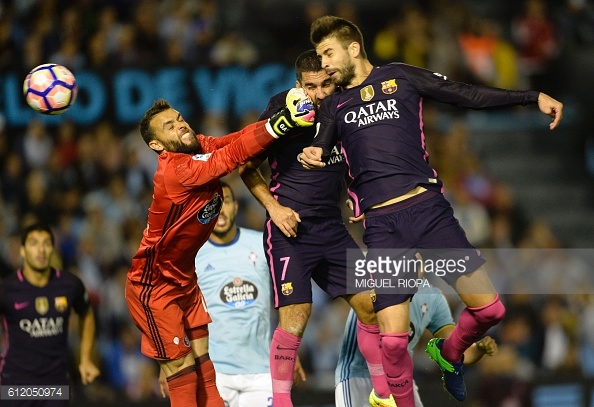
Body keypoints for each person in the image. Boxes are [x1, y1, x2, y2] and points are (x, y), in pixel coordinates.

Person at [301, 15, 563, 406]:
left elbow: (466, 94)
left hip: (429, 213)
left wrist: (530, 96)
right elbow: (321, 150)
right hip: (384, 228)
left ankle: (451, 352)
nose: (323, 63)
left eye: (328, 53)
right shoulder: (335, 105)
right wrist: (313, 153)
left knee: (490, 310)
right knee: (392, 342)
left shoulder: (402, 77)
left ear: (353, 48)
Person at [125, 94, 316, 407]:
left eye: (179, 119)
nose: (180, 126)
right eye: (169, 127)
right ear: (156, 145)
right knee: (185, 375)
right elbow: (230, 158)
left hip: (183, 277)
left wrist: (275, 121)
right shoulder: (175, 172)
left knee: (206, 373)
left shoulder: (196, 145)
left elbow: (235, 140)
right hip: (153, 285)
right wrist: (282, 124)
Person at [239, 49, 380, 407]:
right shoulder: (280, 111)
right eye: (310, 86)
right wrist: (275, 208)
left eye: (325, 84)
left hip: (331, 229)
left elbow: (350, 156)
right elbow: (246, 167)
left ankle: (383, 393)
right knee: (295, 321)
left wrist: (354, 193)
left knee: (372, 307)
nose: (319, 94)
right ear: (297, 84)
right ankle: (282, 403)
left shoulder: (343, 106)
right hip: (291, 233)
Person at [335, 283, 498, 407]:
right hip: (357, 375)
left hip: (399, 380)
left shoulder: (433, 298)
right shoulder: (376, 279)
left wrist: (478, 349)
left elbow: (454, 350)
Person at [0, 223, 100, 406]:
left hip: (55, 383)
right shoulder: (7, 289)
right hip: (15, 383)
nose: (41, 249)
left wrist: (85, 358)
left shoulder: (70, 285)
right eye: (34, 243)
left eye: (46, 243)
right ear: (22, 251)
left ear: (52, 249)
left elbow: (86, 313)